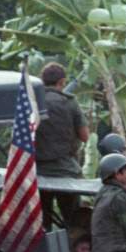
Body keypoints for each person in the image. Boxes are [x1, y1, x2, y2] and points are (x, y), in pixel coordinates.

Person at [34, 62, 89, 224]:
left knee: (42, 223)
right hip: (66, 171)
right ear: (62, 82)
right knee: (72, 221)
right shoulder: (70, 102)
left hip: (38, 173)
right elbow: (85, 136)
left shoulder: (32, 103)